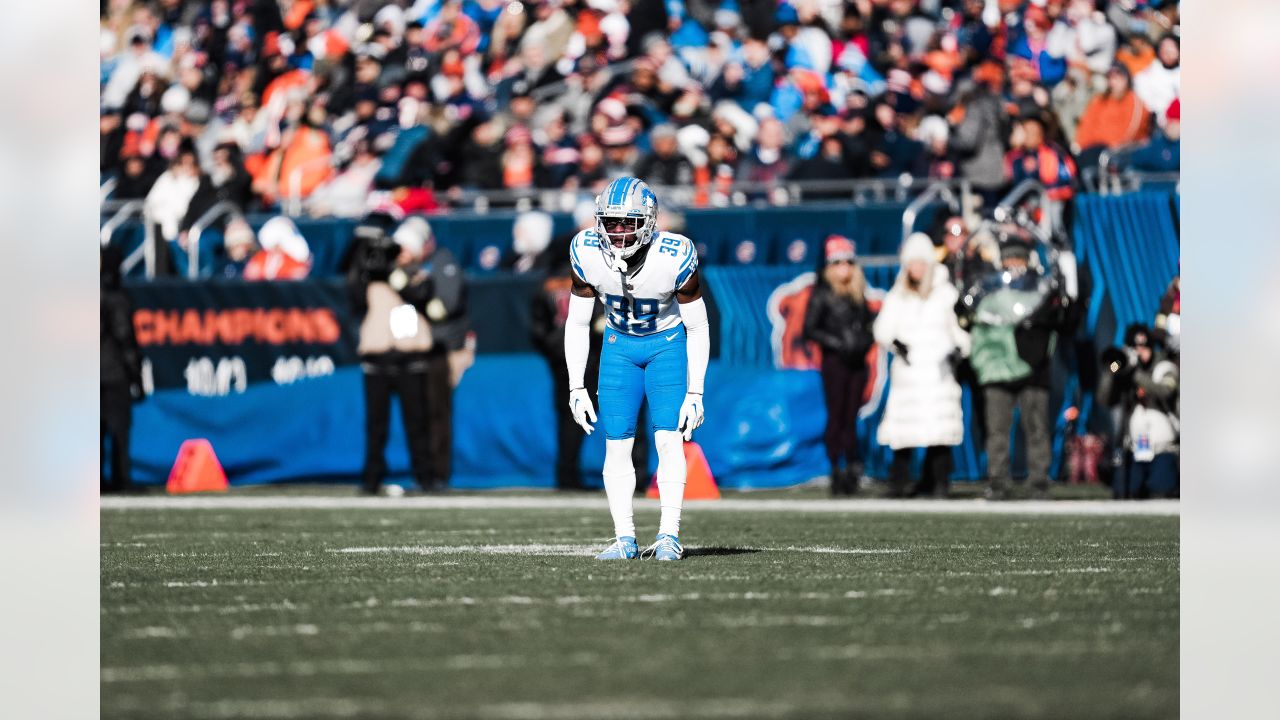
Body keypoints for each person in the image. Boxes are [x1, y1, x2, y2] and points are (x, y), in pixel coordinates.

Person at [565, 177, 709, 561]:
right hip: (618, 348)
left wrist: (696, 391)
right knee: (616, 443)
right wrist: (575, 386)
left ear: (648, 221)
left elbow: (697, 326)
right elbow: (577, 321)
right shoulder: (585, 249)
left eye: (627, 222)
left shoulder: (675, 255)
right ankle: (624, 537)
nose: (618, 231)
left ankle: (668, 536)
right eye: (610, 222)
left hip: (666, 345)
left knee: (668, 440)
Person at [962, 230, 1073, 500]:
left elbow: (1062, 320)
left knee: (1036, 428)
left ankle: (1038, 483)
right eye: (1009, 259)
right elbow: (971, 318)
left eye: (1019, 259)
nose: (1014, 265)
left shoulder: (1042, 289)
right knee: (997, 429)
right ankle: (997, 482)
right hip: (997, 368)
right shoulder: (988, 292)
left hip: (1033, 367)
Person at [873, 233, 970, 498]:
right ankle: (900, 483)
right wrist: (896, 343)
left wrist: (960, 349)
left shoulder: (946, 293)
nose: (916, 269)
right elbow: (882, 328)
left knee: (939, 430)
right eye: (911, 263)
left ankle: (938, 482)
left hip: (938, 371)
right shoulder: (898, 295)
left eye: (921, 263)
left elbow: (959, 328)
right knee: (904, 430)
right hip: (910, 372)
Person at [346, 213, 437, 495]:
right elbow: (353, 294)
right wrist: (365, 254)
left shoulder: (420, 275)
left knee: (417, 422)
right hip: (378, 357)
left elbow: (421, 296)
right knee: (376, 425)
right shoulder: (372, 278)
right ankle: (372, 478)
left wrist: (397, 276)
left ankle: (425, 478)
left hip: (411, 357)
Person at [394, 216, 469, 490]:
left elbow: (443, 307)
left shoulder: (442, 262)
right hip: (414, 347)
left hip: (439, 347)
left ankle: (438, 473)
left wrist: (415, 293)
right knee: (417, 413)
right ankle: (422, 472)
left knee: (437, 412)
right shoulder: (407, 267)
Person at [802, 235, 875, 496]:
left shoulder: (858, 293)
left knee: (850, 417)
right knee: (837, 416)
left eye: (848, 262)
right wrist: (838, 343)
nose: (844, 268)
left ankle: (853, 466)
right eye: (838, 263)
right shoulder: (822, 294)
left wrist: (863, 342)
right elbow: (810, 329)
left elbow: (868, 325)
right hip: (835, 362)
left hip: (857, 363)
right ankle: (837, 467)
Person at [1097, 324, 1179, 499]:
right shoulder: (1123, 371)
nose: (1139, 352)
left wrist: (1136, 374)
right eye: (1135, 348)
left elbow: (1165, 391)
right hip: (1134, 449)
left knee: (1161, 492)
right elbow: (1105, 400)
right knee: (1126, 493)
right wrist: (1112, 373)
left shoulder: (1164, 367)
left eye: (1144, 347)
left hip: (1162, 448)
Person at [101, 245, 144, 494]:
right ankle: (121, 479)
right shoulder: (116, 298)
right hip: (112, 370)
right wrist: (135, 374)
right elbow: (124, 337)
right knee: (119, 429)